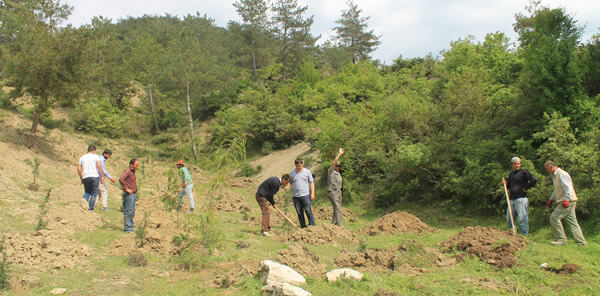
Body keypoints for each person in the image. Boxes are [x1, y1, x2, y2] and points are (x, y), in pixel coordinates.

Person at [544, 161, 587, 246]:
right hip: (567, 200)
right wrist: (551, 199)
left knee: (554, 217)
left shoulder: (562, 174)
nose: (546, 170)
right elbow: (557, 189)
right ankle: (582, 243)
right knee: (572, 223)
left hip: (568, 201)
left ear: (551, 167)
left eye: (546, 169)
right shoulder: (555, 175)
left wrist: (567, 199)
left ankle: (561, 239)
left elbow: (568, 188)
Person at [501, 157, 537, 235]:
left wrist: (525, 187)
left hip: (521, 199)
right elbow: (509, 187)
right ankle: (512, 234)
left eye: (518, 163)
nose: (517, 165)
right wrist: (505, 183)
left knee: (522, 219)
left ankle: (524, 236)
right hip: (511, 200)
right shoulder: (511, 174)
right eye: (515, 164)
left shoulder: (524, 172)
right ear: (512, 164)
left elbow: (534, 179)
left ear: (520, 164)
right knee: (509, 218)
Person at [290, 158, 316, 228]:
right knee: (299, 212)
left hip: (305, 195)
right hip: (296, 196)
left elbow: (311, 182)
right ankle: (303, 226)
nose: (299, 167)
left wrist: (312, 193)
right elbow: (289, 182)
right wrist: (287, 186)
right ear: (295, 165)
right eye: (297, 166)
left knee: (308, 210)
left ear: (302, 164)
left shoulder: (307, 172)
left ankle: (312, 225)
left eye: (300, 166)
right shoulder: (292, 173)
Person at [77, 144, 104, 212]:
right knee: (94, 193)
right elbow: (99, 166)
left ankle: (83, 205)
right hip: (94, 176)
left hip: (86, 176)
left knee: (87, 192)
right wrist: (101, 176)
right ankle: (91, 209)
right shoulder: (96, 157)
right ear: (93, 150)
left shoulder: (82, 157)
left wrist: (81, 177)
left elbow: (78, 168)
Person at [119, 159, 139, 233]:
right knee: (129, 211)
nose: (137, 167)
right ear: (131, 165)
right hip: (129, 194)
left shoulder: (132, 172)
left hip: (132, 194)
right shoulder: (127, 171)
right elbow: (121, 179)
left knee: (132, 211)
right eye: (136, 165)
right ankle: (128, 228)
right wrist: (126, 189)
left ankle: (130, 226)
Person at [327, 148, 345, 226]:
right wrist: (339, 155)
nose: (337, 167)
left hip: (338, 192)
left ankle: (334, 223)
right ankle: (340, 224)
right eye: (337, 166)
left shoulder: (338, 174)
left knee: (337, 208)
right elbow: (333, 162)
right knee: (337, 208)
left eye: (339, 166)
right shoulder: (331, 172)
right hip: (333, 192)